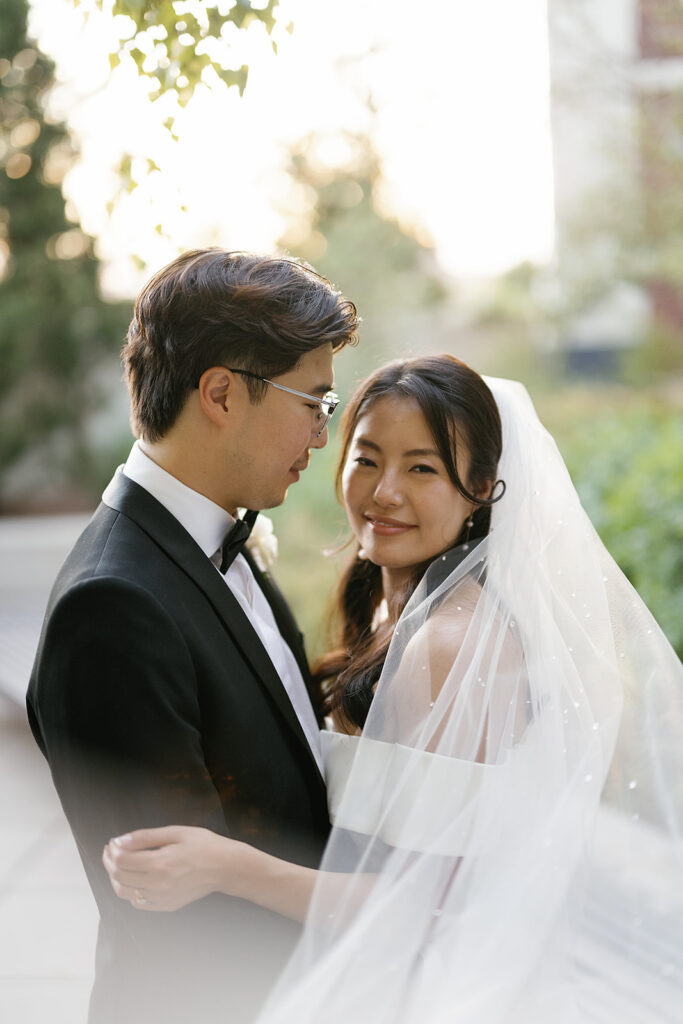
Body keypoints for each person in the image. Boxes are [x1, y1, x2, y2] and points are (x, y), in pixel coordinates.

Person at [104, 355, 683, 1023]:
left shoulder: (448, 646)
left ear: (482, 489)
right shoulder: (389, 605)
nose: (383, 492)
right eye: (367, 458)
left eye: (422, 468)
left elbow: (427, 908)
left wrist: (225, 866)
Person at [26, 248, 360, 1024]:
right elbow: (180, 917)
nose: (321, 433)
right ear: (219, 393)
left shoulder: (221, 541)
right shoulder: (114, 606)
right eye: (313, 402)